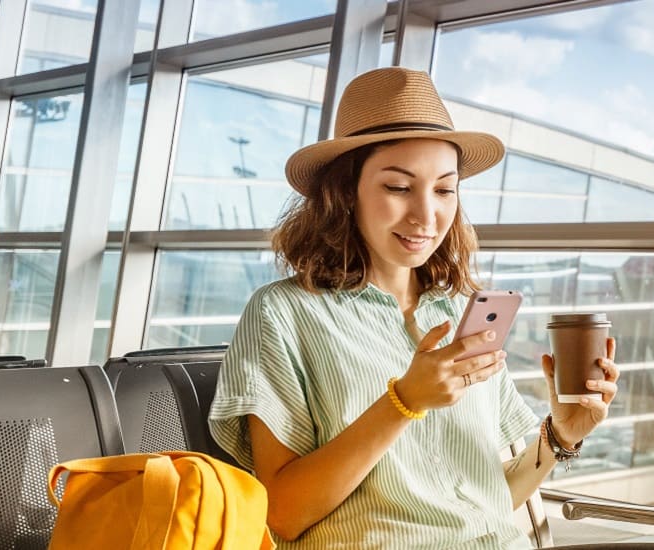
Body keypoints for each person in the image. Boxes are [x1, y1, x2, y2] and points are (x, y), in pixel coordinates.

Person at [208, 67, 620, 549]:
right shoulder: (284, 314)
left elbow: (483, 502)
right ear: (345, 193)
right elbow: (281, 514)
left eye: (445, 190)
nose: (427, 216)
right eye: (399, 188)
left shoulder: (462, 310)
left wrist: (560, 439)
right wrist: (403, 402)